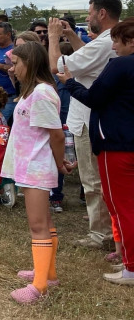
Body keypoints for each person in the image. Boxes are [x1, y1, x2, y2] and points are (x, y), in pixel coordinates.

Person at [57, 17, 134, 285]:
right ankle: (124, 252)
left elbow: (94, 97)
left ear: (131, 42)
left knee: (121, 204)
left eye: (117, 41)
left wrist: (69, 82)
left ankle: (130, 266)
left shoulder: (121, 65)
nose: (113, 47)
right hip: (126, 140)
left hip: (116, 143)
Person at [1, 41, 73, 304]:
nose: (12, 69)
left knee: (38, 226)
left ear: (29, 63)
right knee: (45, 222)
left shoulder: (42, 93)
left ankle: (39, 287)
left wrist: (60, 162)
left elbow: (56, 134)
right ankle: (47, 273)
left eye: (16, 64)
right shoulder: (34, 91)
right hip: (30, 165)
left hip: (36, 167)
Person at [49, 0, 121, 250]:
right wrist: (71, 36)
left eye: (90, 13)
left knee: (92, 180)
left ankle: (102, 235)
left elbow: (58, 67)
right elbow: (87, 57)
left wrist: (53, 38)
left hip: (89, 118)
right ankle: (109, 231)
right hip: (97, 117)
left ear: (102, 13)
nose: (88, 18)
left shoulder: (104, 42)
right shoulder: (109, 41)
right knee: (97, 179)